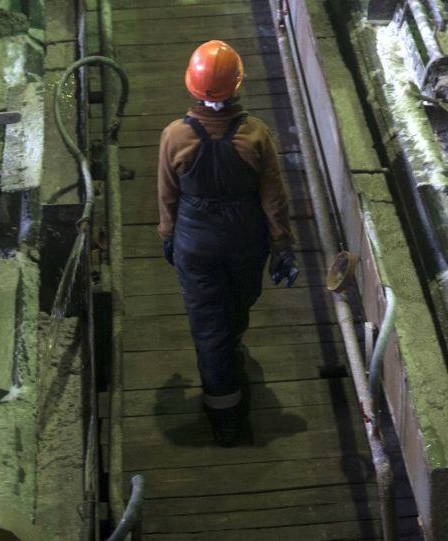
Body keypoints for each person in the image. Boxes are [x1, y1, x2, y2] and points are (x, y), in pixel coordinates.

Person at [157, 40, 299, 447]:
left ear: (191, 85)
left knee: (208, 323)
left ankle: (224, 409)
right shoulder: (255, 134)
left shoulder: (175, 136)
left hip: (195, 240)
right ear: (237, 85)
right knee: (238, 304)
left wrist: (168, 235)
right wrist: (281, 245)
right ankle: (230, 378)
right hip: (245, 238)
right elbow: (273, 197)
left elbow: (167, 194)